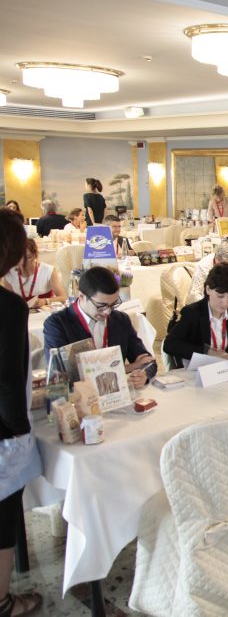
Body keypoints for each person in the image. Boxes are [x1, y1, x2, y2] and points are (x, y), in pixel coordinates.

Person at [0, 209, 42, 617]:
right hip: (1, 430)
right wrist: (20, 429)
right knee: (2, 518)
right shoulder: (9, 307)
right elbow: (11, 378)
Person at [42, 266, 155, 390]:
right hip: (79, 397)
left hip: (116, 394)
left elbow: (148, 360)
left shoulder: (120, 320)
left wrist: (143, 374)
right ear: (81, 296)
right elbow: (60, 374)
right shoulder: (57, 324)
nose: (107, 311)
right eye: (101, 306)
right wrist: (130, 367)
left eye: (113, 304)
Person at [163, 264, 228, 365]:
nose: (225, 303)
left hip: (224, 367)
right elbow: (169, 345)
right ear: (208, 289)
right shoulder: (192, 313)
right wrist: (207, 351)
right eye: (220, 296)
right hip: (197, 367)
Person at [2, 239, 67, 308]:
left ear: (35, 255)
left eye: (28, 257)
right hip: (20, 312)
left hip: (44, 312)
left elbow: (63, 298)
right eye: (20, 257)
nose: (23, 262)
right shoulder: (9, 274)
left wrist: (46, 301)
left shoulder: (48, 270)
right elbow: (8, 302)